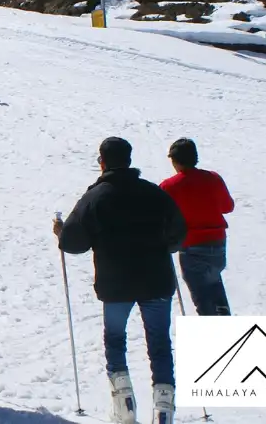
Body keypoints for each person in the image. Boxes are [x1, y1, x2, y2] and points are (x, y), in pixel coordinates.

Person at [54, 137, 186, 424]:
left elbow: (73, 243)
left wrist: (61, 232)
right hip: (157, 279)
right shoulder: (154, 193)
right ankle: (164, 411)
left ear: (102, 161)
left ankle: (124, 406)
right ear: (129, 159)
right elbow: (178, 233)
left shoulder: (96, 197)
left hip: (116, 284)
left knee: (115, 339)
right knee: (160, 342)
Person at [159, 138, 234, 316]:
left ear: (175, 161)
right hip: (217, 243)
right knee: (215, 286)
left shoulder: (169, 186)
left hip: (191, 246)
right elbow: (227, 207)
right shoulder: (213, 178)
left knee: (202, 298)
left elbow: (162, 217)